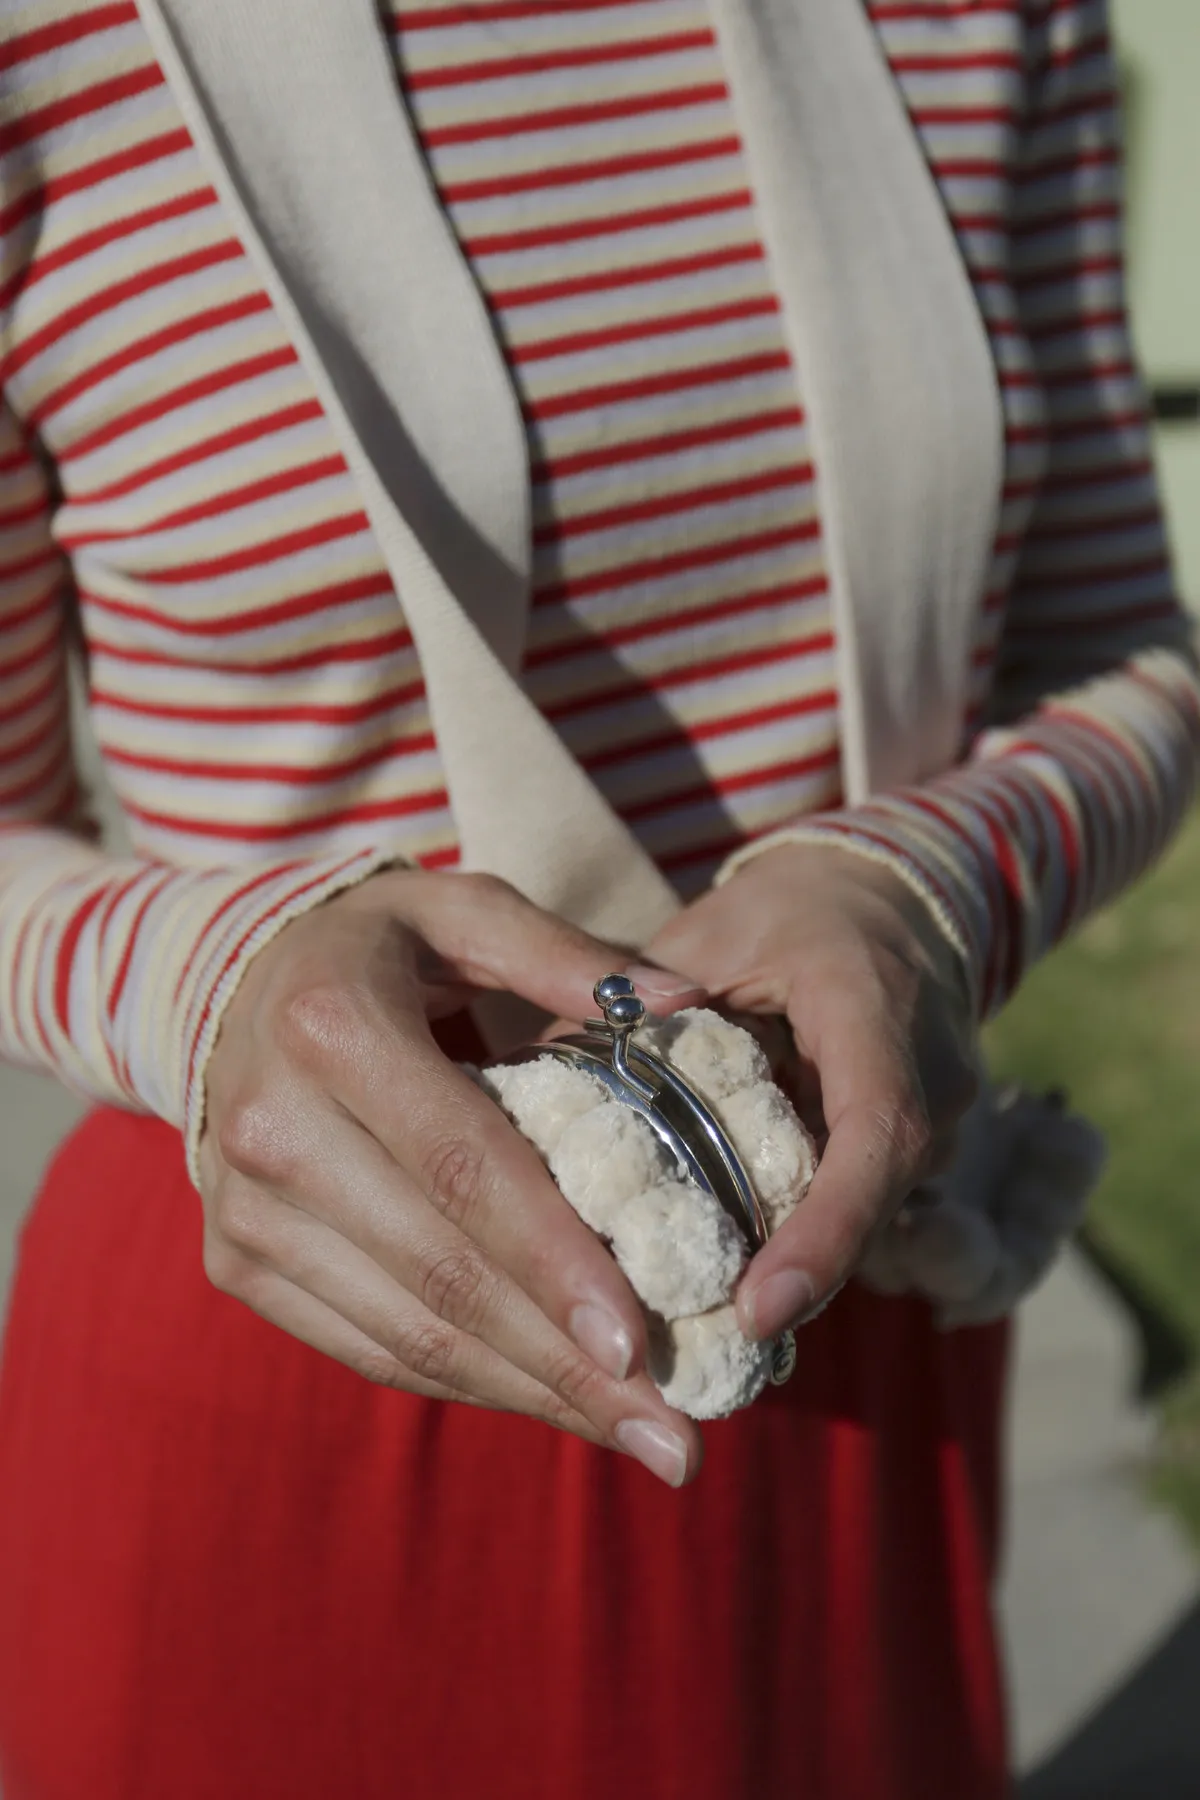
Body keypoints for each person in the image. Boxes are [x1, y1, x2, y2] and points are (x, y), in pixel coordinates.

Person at [0, 0, 1194, 1795]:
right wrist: (212, 975)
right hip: (300, 1350)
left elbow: (1128, 654)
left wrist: (918, 884)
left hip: (832, 1345)